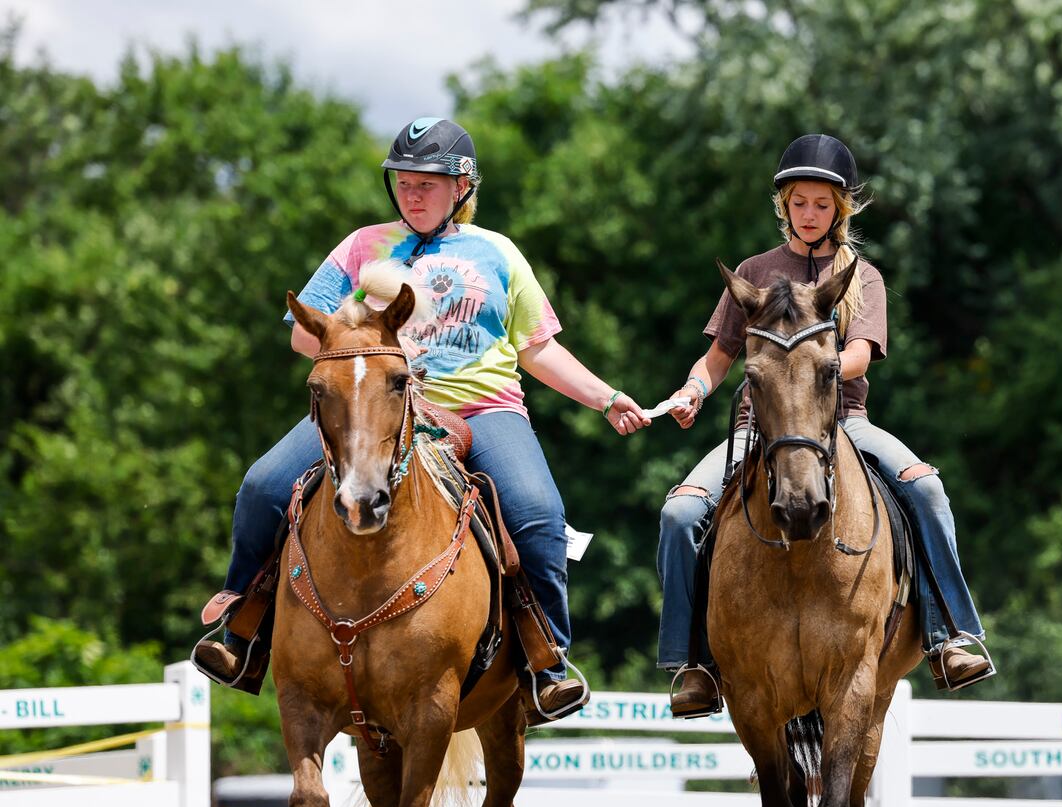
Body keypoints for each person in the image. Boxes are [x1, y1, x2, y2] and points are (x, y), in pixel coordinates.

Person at [192, 116, 649, 718]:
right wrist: (357, 319)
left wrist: (605, 397)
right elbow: (305, 337)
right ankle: (242, 634)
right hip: (371, 403)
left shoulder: (498, 253)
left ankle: (546, 662)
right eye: (404, 182)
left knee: (538, 513)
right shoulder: (360, 247)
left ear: (462, 187)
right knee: (263, 486)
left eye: (428, 183)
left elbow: (537, 348)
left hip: (481, 407)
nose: (413, 193)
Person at [657, 133, 995, 717]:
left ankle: (949, 637)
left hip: (844, 420)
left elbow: (862, 352)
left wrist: (817, 365)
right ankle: (693, 666)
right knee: (680, 513)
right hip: (759, 426)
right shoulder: (754, 271)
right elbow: (719, 355)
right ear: (783, 204)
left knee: (929, 491)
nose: (809, 214)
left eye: (821, 204)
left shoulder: (862, 277)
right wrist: (691, 390)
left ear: (839, 208)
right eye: (799, 203)